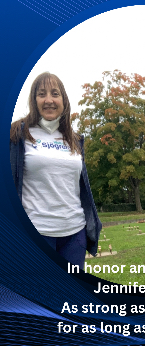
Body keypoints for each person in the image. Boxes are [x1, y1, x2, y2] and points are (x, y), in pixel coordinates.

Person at [10, 72, 101, 269]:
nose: (49, 100)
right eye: (42, 94)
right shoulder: (17, 134)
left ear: (64, 100)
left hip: (74, 234)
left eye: (55, 94)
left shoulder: (74, 139)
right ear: (34, 100)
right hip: (36, 233)